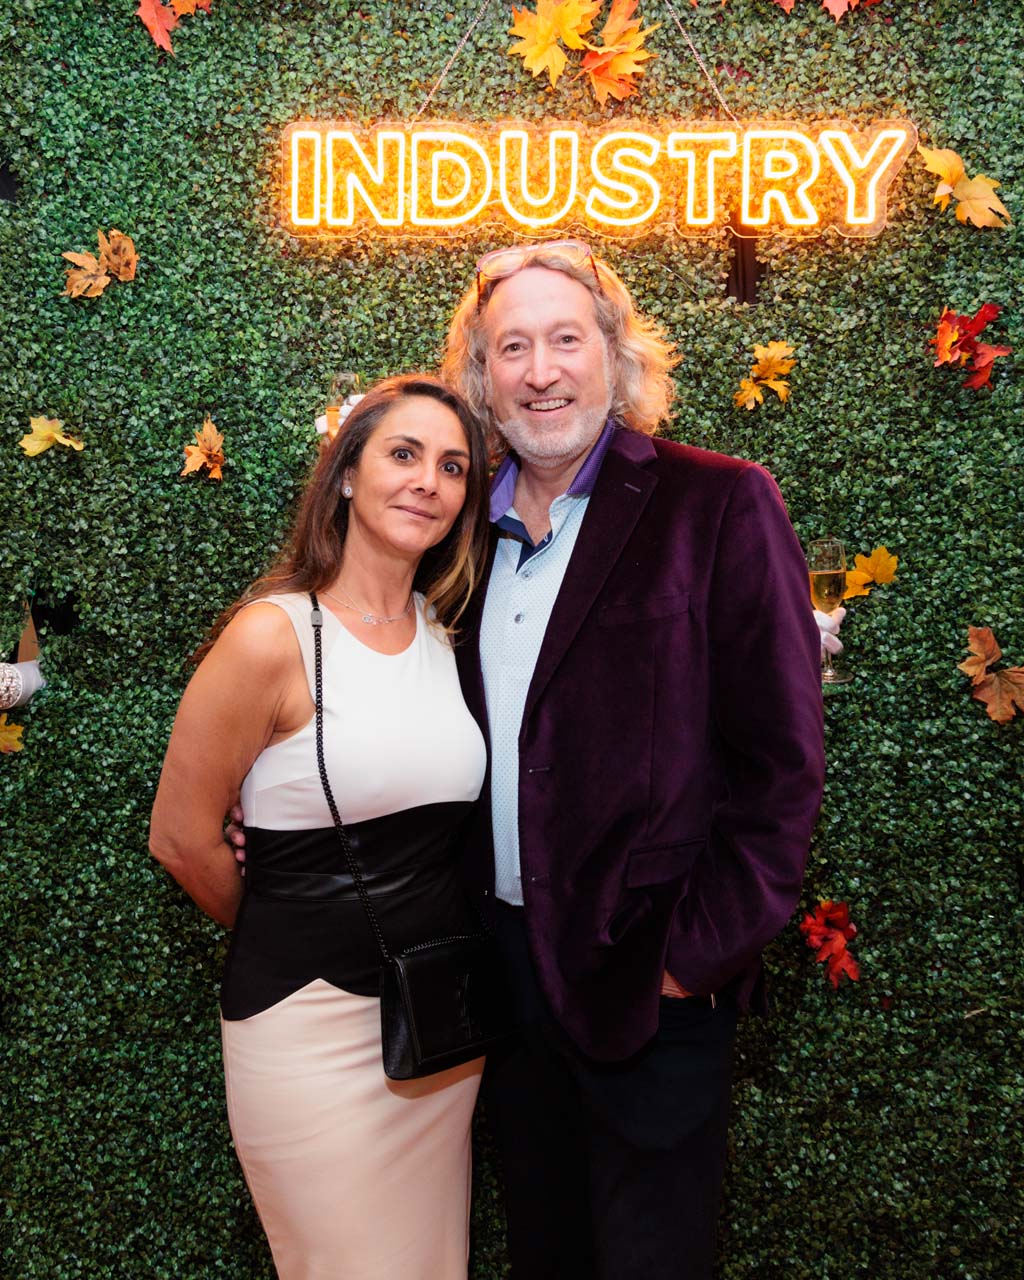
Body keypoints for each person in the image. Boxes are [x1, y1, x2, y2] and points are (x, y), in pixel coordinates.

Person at [437, 239, 827, 1280]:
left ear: (614, 354)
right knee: (544, 1255)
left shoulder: (719, 502)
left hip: (646, 980)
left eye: (566, 339)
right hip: (503, 985)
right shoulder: (455, 535)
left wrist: (691, 959)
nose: (541, 371)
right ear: (481, 377)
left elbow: (782, 761)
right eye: (512, 347)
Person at [149, 374, 493, 1280]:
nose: (428, 481)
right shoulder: (271, 636)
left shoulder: (443, 631)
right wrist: (289, 928)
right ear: (345, 474)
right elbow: (180, 837)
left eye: (452, 467)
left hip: (434, 1030)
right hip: (309, 1034)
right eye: (403, 454)